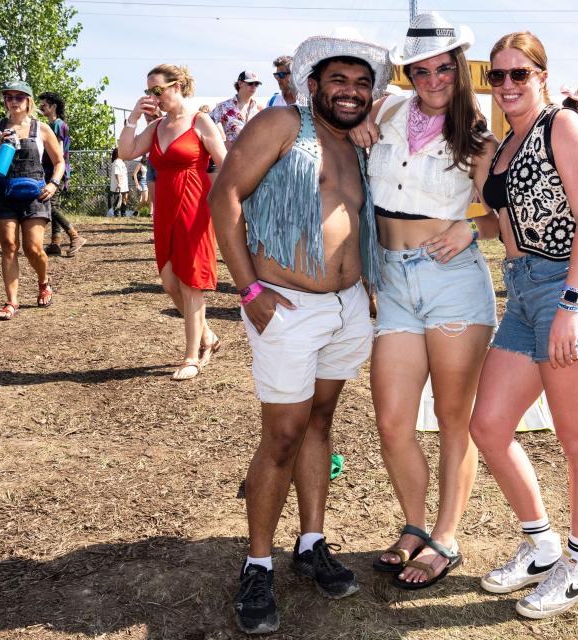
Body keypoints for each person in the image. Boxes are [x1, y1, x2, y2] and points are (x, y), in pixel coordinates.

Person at [208, 35, 390, 634]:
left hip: (345, 307)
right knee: (283, 434)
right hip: (285, 306)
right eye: (340, 81)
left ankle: (310, 542)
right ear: (314, 84)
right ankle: (257, 562)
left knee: (319, 423)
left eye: (362, 85)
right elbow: (225, 195)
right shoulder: (283, 124)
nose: (351, 93)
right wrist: (248, 288)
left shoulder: (360, 145)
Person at [467, 31, 578, 619]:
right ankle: (543, 545)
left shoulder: (563, 126)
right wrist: (462, 229)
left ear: (541, 76)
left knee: (576, 438)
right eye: (497, 76)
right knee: (489, 425)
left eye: (518, 74)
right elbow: (502, 222)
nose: (506, 85)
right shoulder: (505, 143)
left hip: (567, 288)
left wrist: (571, 305)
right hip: (524, 288)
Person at [346, 12, 499, 590]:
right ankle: (412, 523)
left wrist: (472, 229)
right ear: (409, 71)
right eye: (423, 69)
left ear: (459, 68)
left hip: (451, 281)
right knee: (391, 421)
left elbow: (507, 220)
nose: (434, 78)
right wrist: (358, 131)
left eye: (444, 68)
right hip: (393, 281)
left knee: (454, 420)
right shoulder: (383, 110)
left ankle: (445, 538)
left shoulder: (480, 140)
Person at [117, 64, 225, 379]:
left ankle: (192, 356)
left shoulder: (200, 121)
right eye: (149, 91)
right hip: (164, 209)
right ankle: (208, 336)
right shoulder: (157, 127)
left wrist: (225, 203)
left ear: (176, 86)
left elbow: (226, 163)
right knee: (169, 281)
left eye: (157, 90)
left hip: (194, 206)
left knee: (191, 283)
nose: (153, 96)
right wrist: (134, 117)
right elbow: (126, 152)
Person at [0, 80, 65, 320]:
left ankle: (43, 282)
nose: (13, 102)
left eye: (19, 97)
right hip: (2, 192)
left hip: (34, 194)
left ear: (28, 101)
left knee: (33, 247)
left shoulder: (42, 128)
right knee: (9, 246)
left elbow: (59, 162)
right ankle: (12, 301)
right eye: (9, 97)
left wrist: (53, 183)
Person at [38, 91, 85, 257]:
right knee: (52, 205)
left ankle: (75, 236)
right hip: (50, 170)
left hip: (55, 171)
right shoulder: (51, 125)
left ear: (54, 106)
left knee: (51, 206)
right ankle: (55, 243)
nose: (40, 107)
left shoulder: (58, 125)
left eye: (44, 105)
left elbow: (57, 151)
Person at [210, 71, 262, 150]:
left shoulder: (260, 109)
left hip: (255, 158)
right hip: (232, 159)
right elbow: (205, 126)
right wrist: (221, 143)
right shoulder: (223, 107)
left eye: (256, 84)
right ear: (240, 83)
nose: (254, 86)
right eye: (250, 83)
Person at [108, 148, 129, 216]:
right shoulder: (117, 162)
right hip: (119, 184)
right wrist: (119, 183)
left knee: (124, 198)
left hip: (124, 184)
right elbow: (117, 173)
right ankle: (116, 214)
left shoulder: (121, 161)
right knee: (117, 199)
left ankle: (123, 213)